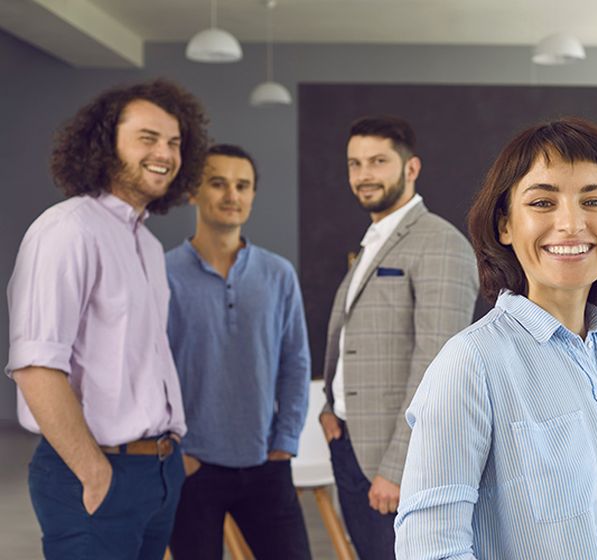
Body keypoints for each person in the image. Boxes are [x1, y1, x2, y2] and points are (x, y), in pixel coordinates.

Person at [395, 117, 597, 559]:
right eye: (543, 203)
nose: (571, 224)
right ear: (505, 226)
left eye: (593, 200)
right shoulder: (472, 363)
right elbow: (430, 547)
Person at [6, 79, 209, 559]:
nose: (165, 152)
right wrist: (94, 473)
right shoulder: (67, 230)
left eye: (175, 142)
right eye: (147, 137)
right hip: (95, 473)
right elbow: (36, 367)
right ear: (104, 144)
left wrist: (171, 457)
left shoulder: (147, 246)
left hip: (157, 473)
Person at [319, 115, 479, 559]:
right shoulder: (374, 240)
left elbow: (437, 364)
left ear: (410, 169)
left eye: (377, 161)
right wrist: (332, 411)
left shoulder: (440, 243)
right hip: (350, 444)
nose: (363, 175)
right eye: (354, 164)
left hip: (394, 463)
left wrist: (398, 467)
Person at [166, 144, 312, 559]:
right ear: (193, 191)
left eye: (242, 185)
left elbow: (296, 363)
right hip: (194, 465)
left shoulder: (278, 274)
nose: (232, 195)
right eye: (218, 183)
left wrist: (284, 441)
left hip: (266, 461)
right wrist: (177, 450)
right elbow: (149, 373)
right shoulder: (162, 275)